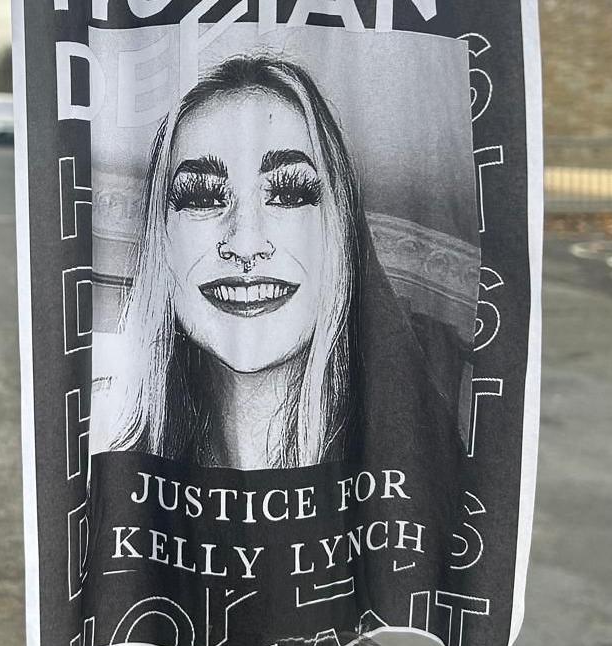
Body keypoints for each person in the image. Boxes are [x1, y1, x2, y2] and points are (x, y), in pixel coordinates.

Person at [104, 54, 464, 473]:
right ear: (162, 241)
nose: (245, 243)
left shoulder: (428, 477)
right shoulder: (108, 460)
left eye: (290, 194)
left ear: (341, 236)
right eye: (202, 197)